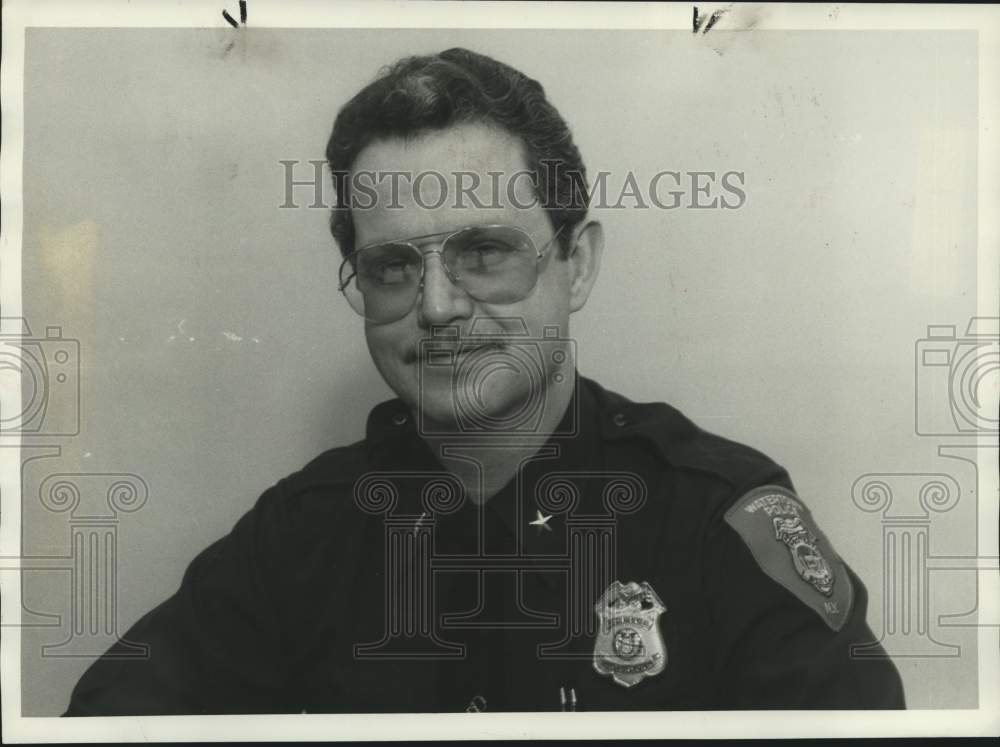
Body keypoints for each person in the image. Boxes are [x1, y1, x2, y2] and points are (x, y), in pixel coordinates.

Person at [64, 47, 904, 715]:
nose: (435, 306)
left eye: (484, 253)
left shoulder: (720, 521)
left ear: (577, 266)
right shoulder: (300, 538)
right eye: (392, 266)